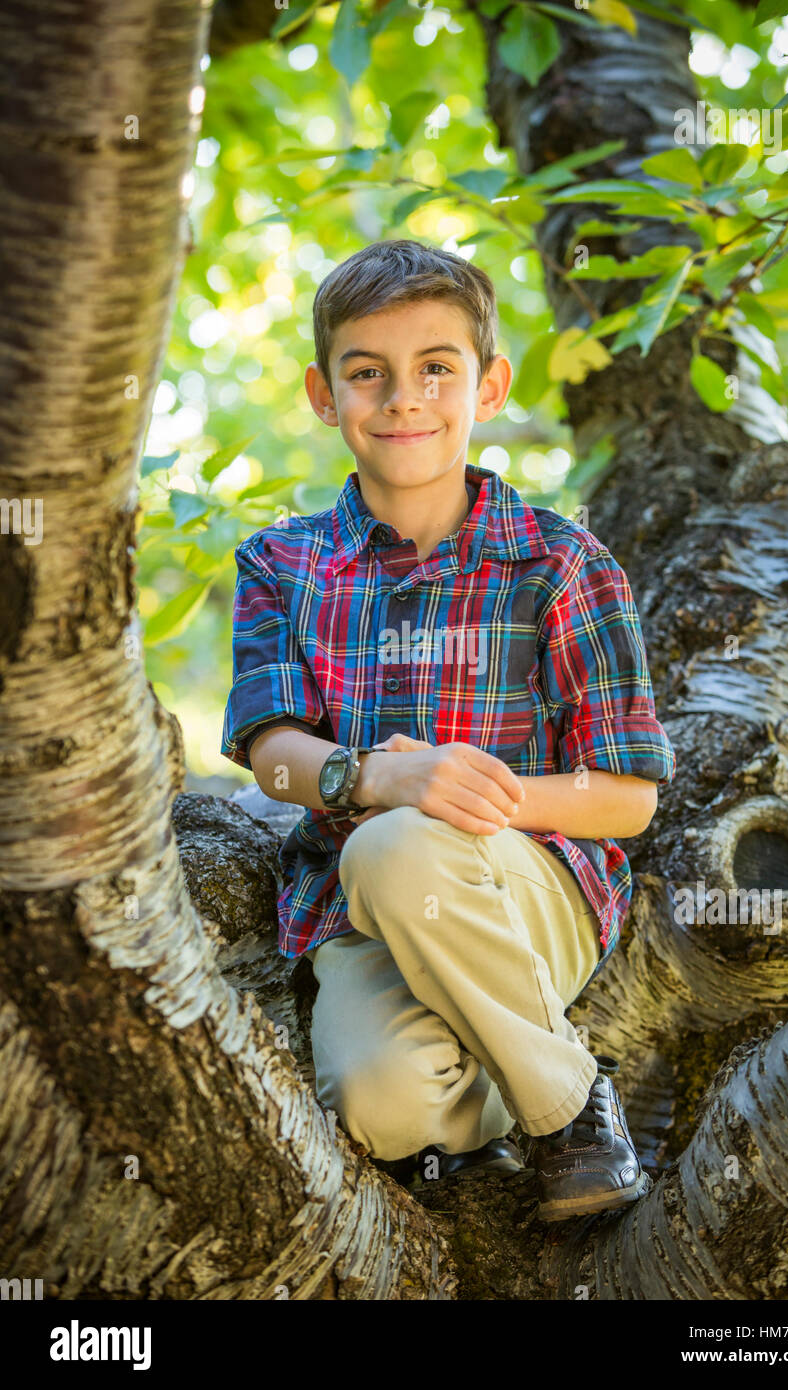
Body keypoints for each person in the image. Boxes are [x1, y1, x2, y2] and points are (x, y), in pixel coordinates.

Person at [220, 238, 676, 1220]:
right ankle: (535, 1077)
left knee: (402, 847)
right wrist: (378, 778)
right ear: (320, 391)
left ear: (491, 382)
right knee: (383, 1108)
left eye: (436, 368)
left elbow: (627, 796)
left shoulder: (562, 562)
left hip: (524, 886)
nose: (402, 399)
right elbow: (272, 759)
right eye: (366, 372)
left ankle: (568, 1119)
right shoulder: (279, 565)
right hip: (357, 907)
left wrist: (458, 794)